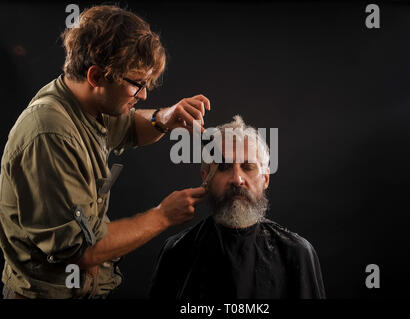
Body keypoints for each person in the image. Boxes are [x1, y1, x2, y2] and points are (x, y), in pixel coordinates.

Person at [0, 5, 211, 299]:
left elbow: (127, 128)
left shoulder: (85, 102)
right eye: (137, 84)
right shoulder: (50, 134)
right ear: (96, 76)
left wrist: (165, 118)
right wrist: (163, 216)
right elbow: (81, 252)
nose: (144, 95)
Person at [148, 115, 326, 299]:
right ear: (206, 178)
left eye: (247, 167)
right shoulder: (178, 251)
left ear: (265, 179)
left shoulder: (297, 253)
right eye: (223, 167)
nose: (237, 179)